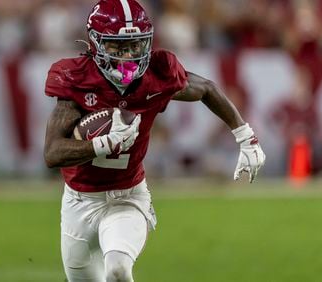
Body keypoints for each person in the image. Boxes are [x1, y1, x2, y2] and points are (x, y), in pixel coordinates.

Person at [43, 0, 266, 281]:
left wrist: (246, 137)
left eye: (135, 46)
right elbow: (52, 153)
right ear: (96, 45)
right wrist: (104, 144)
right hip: (79, 201)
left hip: (128, 197)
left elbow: (206, 89)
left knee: (117, 269)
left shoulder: (156, 76)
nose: (128, 58)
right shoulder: (77, 79)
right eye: (117, 47)